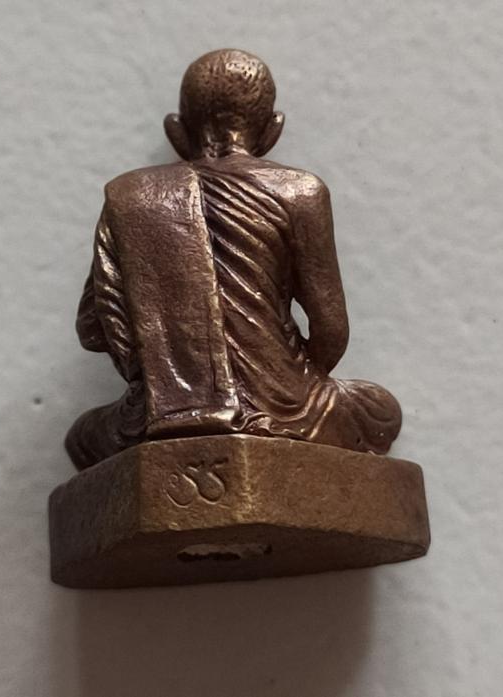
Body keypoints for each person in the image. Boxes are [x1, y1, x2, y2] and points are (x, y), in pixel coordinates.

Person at [66, 49, 401, 471]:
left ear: (176, 131)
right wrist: (286, 385)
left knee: (82, 440)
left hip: (158, 414)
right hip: (289, 408)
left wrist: (160, 373)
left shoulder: (131, 198)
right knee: (379, 412)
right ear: (273, 129)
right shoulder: (300, 191)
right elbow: (331, 331)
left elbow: (93, 330)